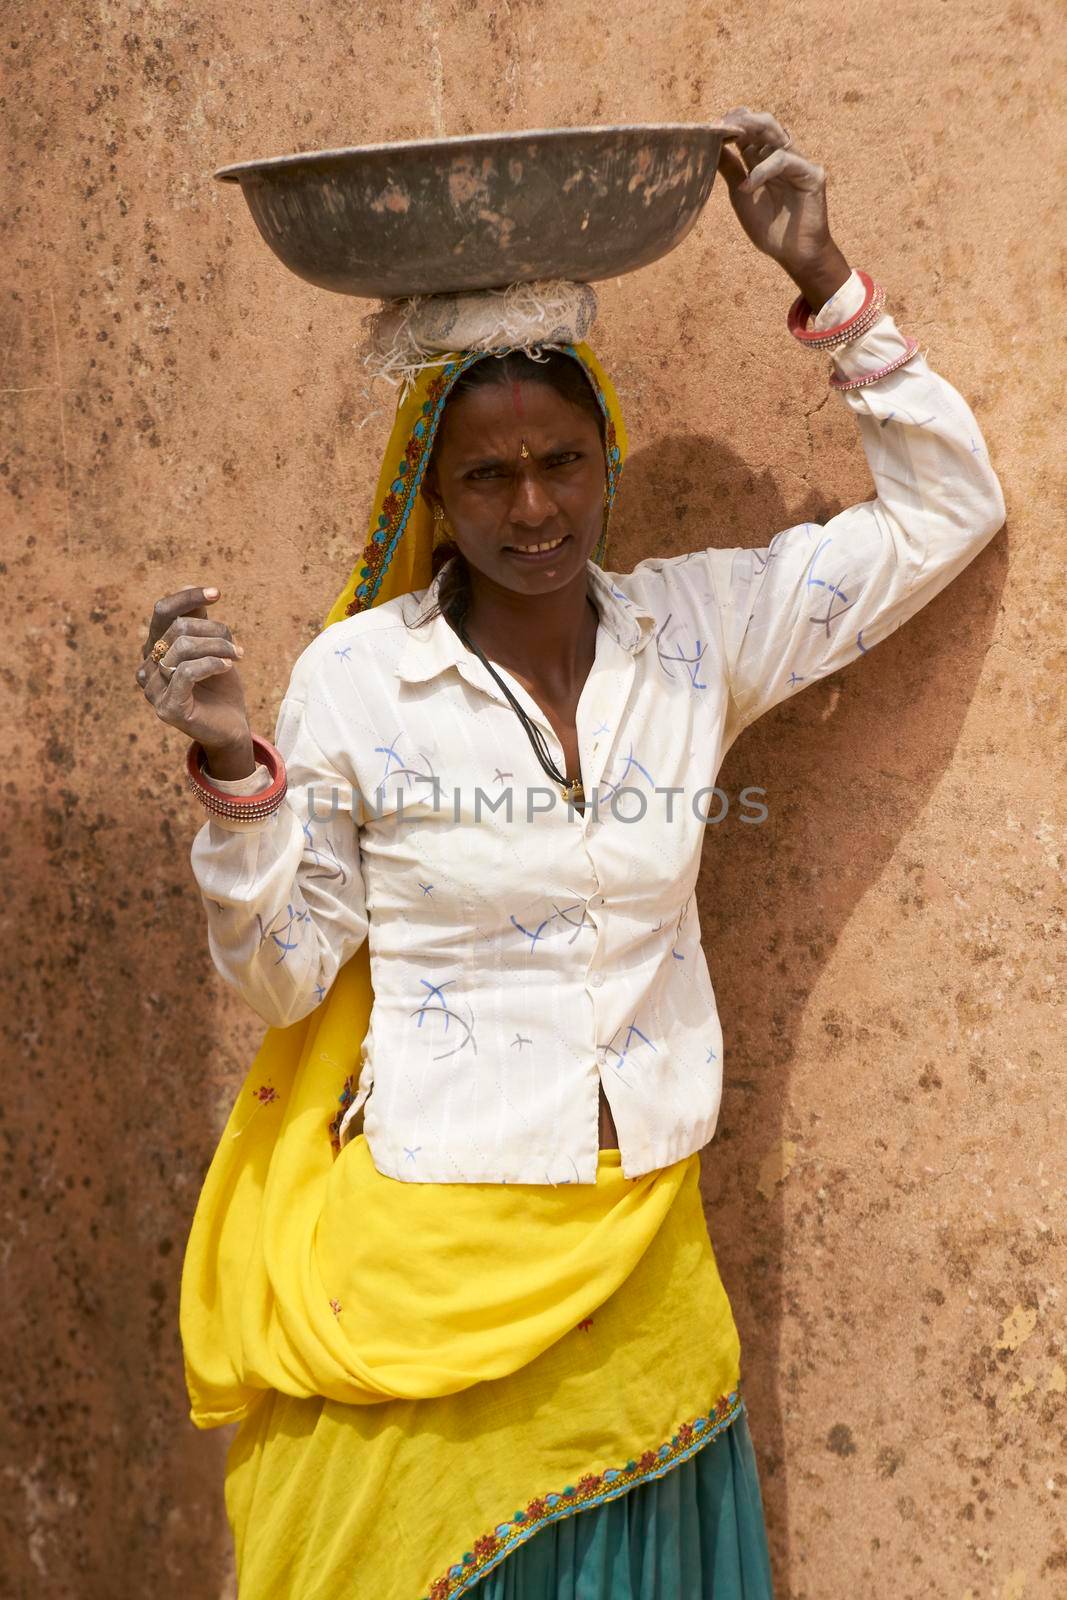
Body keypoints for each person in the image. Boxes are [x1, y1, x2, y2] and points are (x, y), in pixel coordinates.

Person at [136, 109, 1004, 1599]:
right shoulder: (355, 680)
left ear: (603, 457)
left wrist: (829, 284)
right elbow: (286, 979)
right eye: (488, 479)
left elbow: (950, 511)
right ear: (433, 494)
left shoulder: (696, 634)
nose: (534, 507)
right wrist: (233, 767)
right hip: (429, 1249)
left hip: (641, 1229)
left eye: (561, 460)